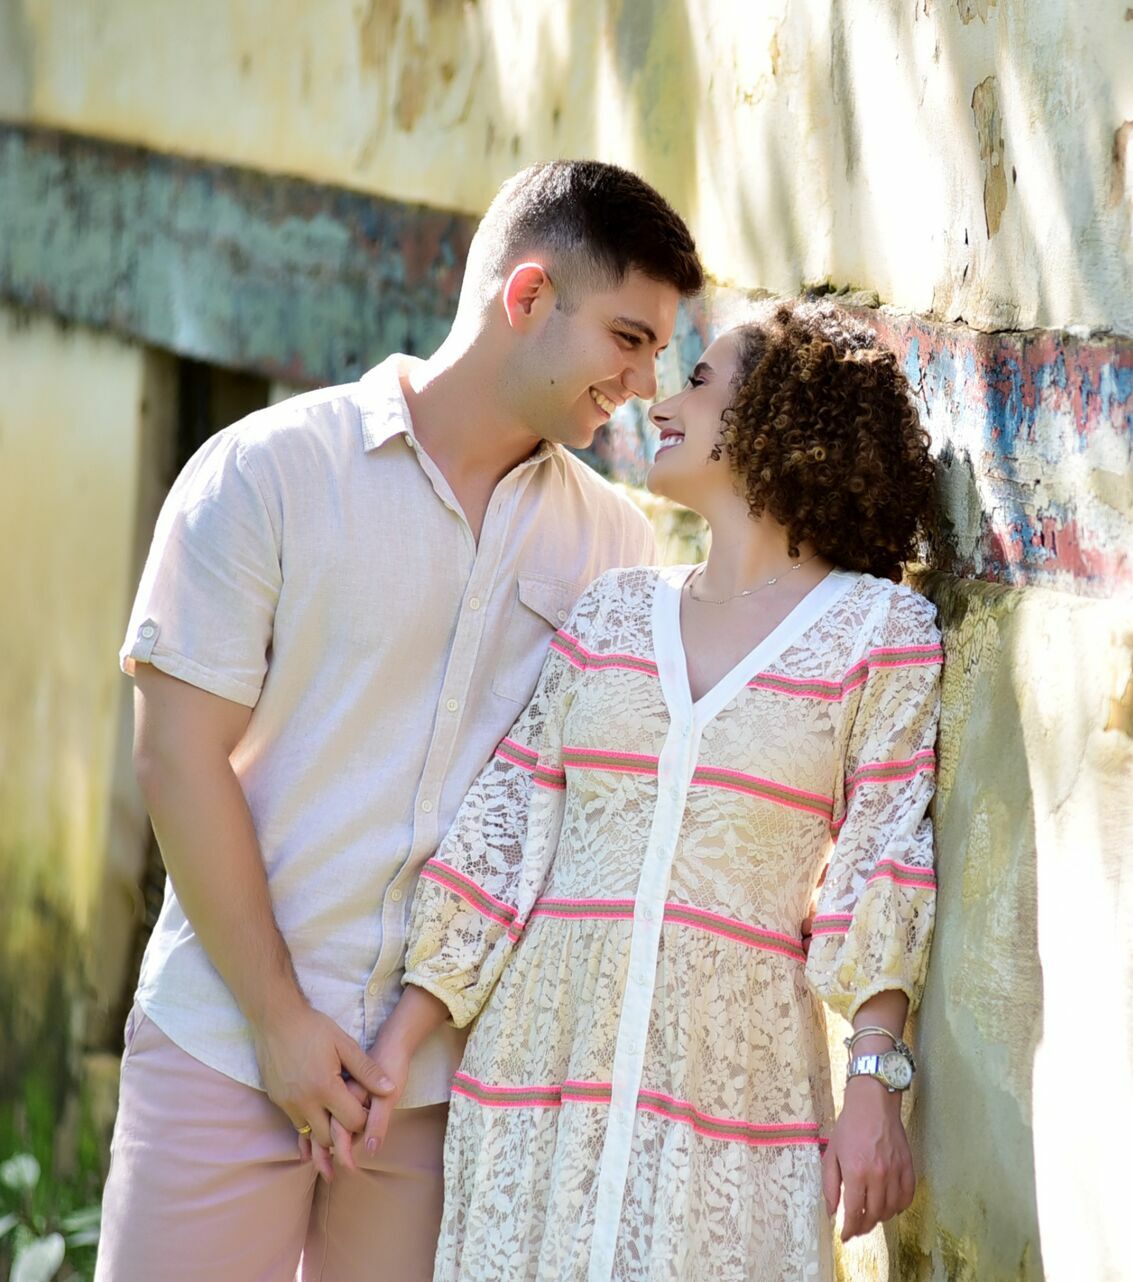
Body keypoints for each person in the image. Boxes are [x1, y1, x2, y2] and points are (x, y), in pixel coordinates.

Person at [96, 160, 705, 1282]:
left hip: (435, 1096)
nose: (644, 377)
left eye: (660, 349)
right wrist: (280, 1018)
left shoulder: (613, 548)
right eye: (629, 336)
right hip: (227, 1043)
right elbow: (177, 756)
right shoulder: (267, 473)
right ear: (526, 297)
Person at [361, 303, 944, 1281]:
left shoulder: (880, 633)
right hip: (541, 1076)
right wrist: (398, 1050)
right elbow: (508, 832)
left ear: (784, 418)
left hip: (734, 1096)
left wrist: (875, 1082)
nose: (663, 402)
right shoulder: (613, 610)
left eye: (701, 381)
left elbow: (883, 854)